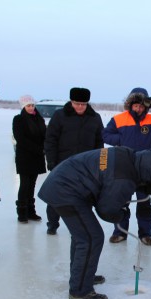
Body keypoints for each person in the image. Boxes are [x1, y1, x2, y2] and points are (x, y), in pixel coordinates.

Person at [38, 147, 151, 299]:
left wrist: (140, 185)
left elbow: (113, 178)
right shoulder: (123, 178)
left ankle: (83, 276)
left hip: (63, 181)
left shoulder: (126, 154)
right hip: (65, 191)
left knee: (83, 236)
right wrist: (123, 214)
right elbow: (107, 210)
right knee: (91, 238)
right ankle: (80, 290)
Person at [102, 87, 151, 245]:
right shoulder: (119, 119)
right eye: (136, 105)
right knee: (122, 202)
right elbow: (105, 134)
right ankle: (120, 232)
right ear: (130, 104)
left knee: (144, 202)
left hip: (145, 169)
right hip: (123, 166)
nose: (138, 109)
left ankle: (145, 234)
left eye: (142, 106)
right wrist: (120, 139)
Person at [44, 87, 104, 235]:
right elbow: (50, 140)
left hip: (86, 167)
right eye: (77, 103)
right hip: (62, 164)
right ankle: (52, 223)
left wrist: (99, 165)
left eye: (83, 104)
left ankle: (83, 224)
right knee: (56, 195)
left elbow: (99, 144)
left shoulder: (95, 118)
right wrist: (51, 161)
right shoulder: (60, 116)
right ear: (71, 102)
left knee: (85, 197)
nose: (80, 107)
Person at [12, 95, 46, 223]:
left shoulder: (39, 119)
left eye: (32, 105)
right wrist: (38, 149)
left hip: (37, 157)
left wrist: (44, 147)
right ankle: (22, 212)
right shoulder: (19, 119)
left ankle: (31, 211)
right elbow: (20, 139)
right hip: (25, 157)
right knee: (24, 184)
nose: (31, 108)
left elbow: (44, 135)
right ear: (23, 107)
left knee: (32, 185)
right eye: (28, 106)